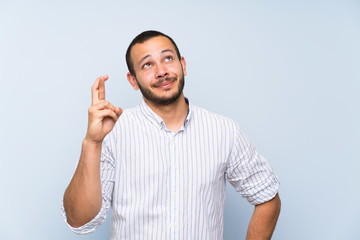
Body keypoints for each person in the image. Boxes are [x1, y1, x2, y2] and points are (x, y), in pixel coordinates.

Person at [62, 30, 281, 240]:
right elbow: (80, 220)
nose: (161, 71)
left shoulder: (224, 130)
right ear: (133, 80)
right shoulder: (113, 132)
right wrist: (92, 142)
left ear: (183, 65)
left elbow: (267, 198)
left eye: (167, 58)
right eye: (147, 64)